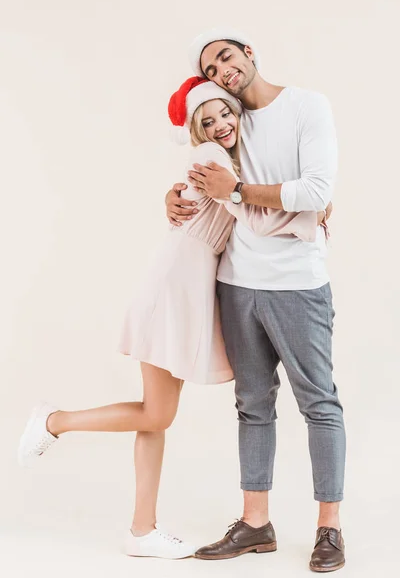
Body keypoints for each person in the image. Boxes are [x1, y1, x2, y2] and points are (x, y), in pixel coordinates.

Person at [18, 77, 324, 560]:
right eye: (208, 121)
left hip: (188, 282)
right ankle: (55, 421)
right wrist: (313, 212)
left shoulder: (237, 161)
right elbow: (257, 218)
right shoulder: (217, 161)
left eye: (226, 113)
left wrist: (309, 202)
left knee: (155, 413)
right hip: (175, 284)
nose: (222, 124)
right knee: (157, 412)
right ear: (197, 131)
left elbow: (225, 203)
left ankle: (142, 530)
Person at [165, 28, 346, 573]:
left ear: (248, 52)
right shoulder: (224, 120)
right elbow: (197, 178)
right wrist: (175, 197)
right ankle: (255, 524)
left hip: (298, 284)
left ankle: (330, 529)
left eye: (226, 55)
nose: (222, 69)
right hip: (237, 283)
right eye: (211, 68)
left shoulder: (307, 106)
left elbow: (317, 192)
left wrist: (238, 192)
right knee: (252, 405)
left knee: (319, 403)